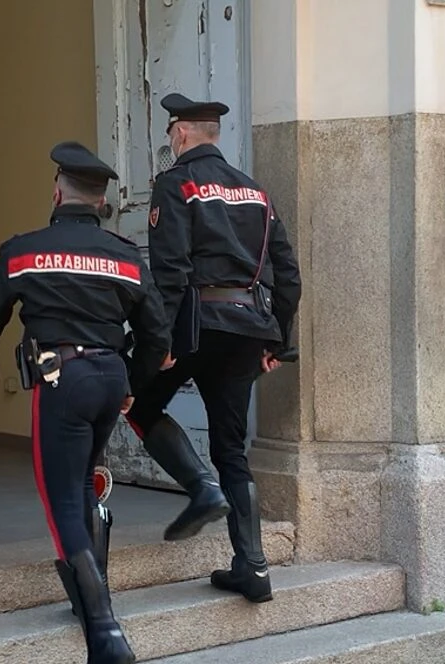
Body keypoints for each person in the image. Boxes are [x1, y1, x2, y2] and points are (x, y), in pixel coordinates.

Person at [0, 141, 173, 664]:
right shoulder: (126, 256)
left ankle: (104, 631)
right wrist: (131, 384)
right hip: (109, 378)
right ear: (101, 202)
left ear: (57, 194)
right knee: (82, 484)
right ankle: (88, 599)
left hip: (62, 379)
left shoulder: (25, 251)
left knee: (61, 503)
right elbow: (157, 334)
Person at [124, 92, 302, 604]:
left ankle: (201, 488)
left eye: (169, 133)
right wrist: (277, 341)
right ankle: (254, 568)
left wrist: (161, 341)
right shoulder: (255, 191)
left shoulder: (175, 184)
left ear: (180, 133)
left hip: (195, 327)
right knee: (232, 449)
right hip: (248, 330)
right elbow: (287, 274)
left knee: (138, 404)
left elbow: (170, 272)